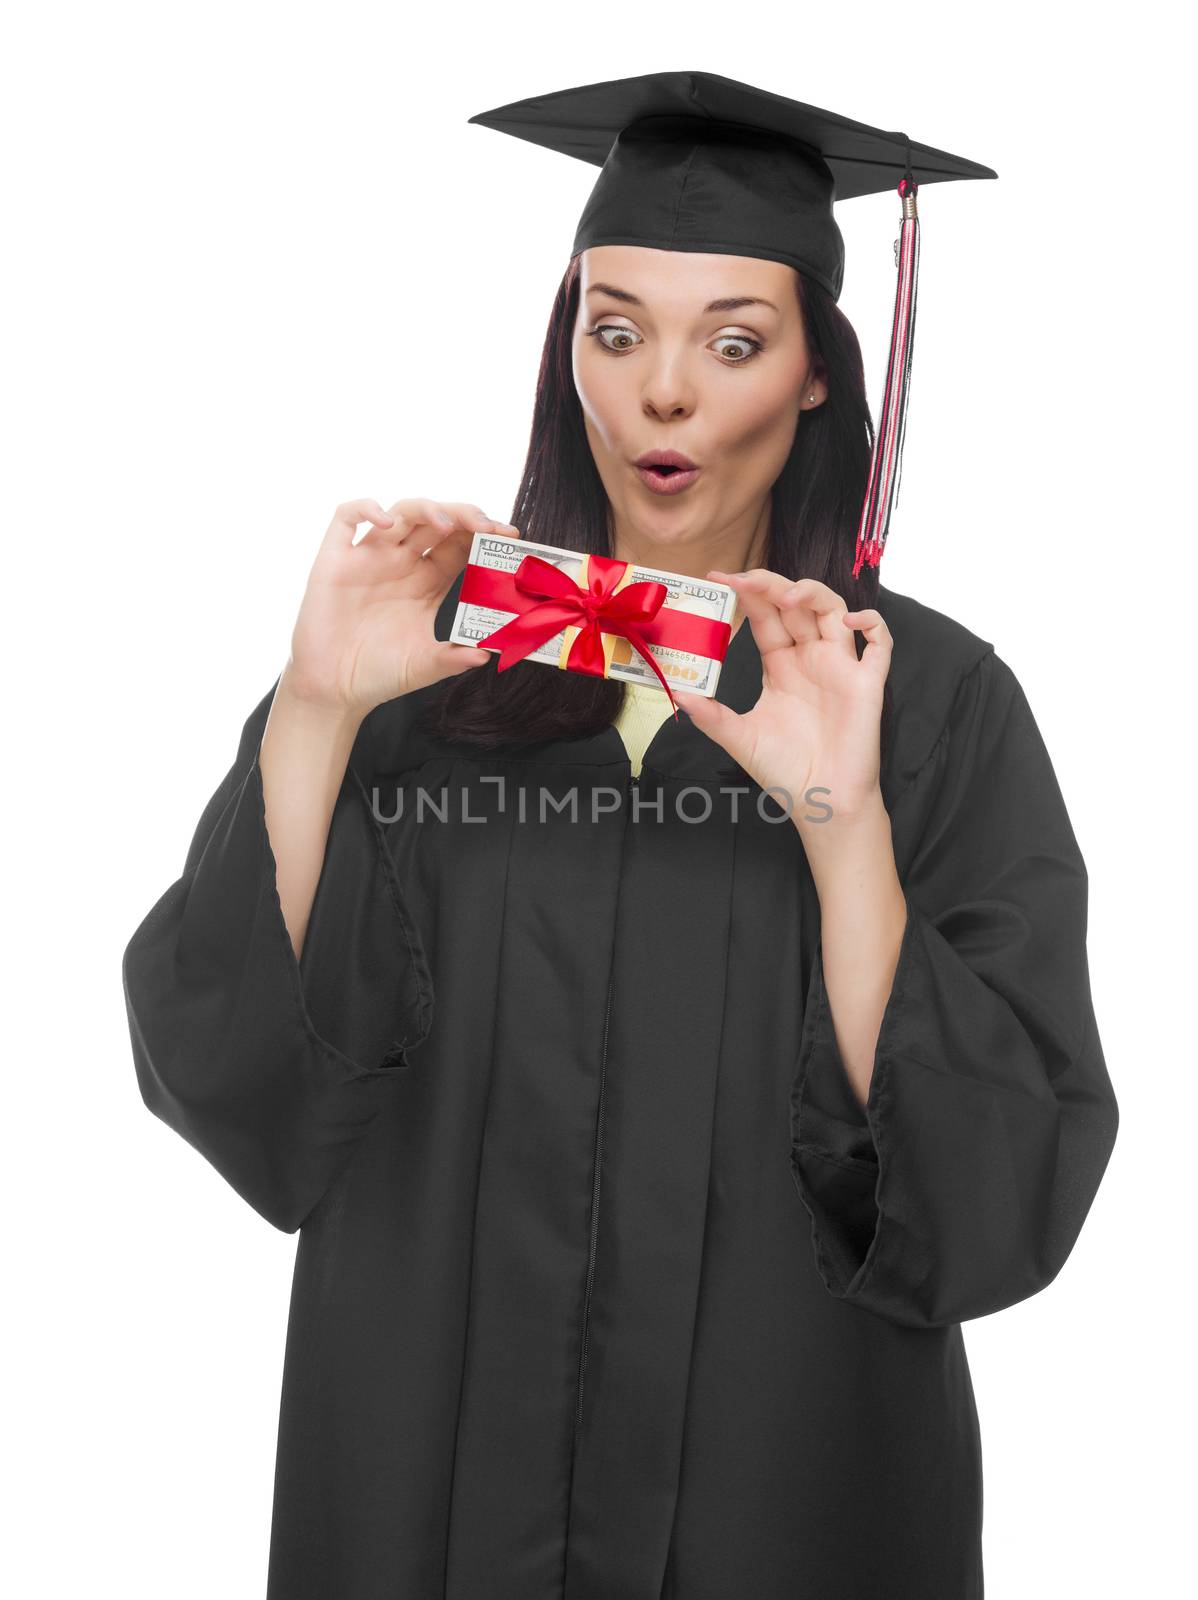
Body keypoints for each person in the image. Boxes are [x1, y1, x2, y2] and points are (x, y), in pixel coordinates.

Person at [122, 72, 1120, 1600]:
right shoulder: (422, 667)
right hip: (426, 1480)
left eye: (732, 340)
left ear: (809, 377)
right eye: (615, 328)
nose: (663, 390)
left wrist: (837, 820)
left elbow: (998, 1188)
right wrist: (317, 713)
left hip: (784, 1485)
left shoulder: (925, 704)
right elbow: (240, 1071)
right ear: (563, 355)